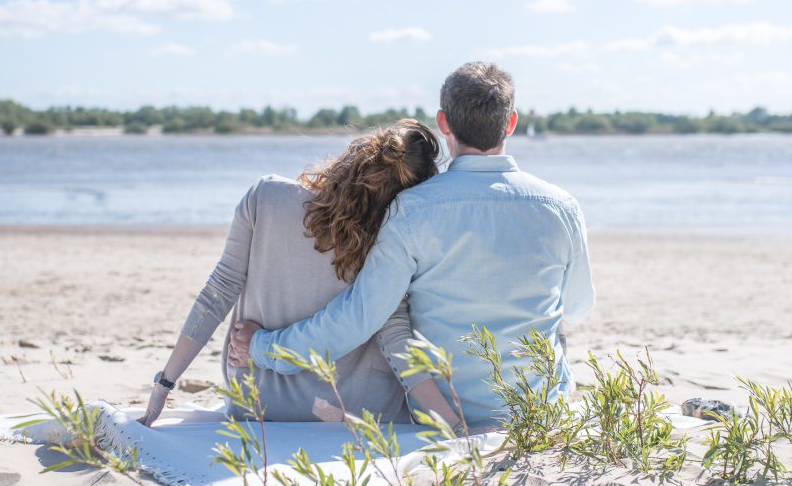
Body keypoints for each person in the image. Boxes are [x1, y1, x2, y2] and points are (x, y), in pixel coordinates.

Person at [228, 62, 595, 427]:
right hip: (540, 411)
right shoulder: (560, 206)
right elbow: (577, 308)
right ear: (511, 123)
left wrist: (264, 347)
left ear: (443, 122)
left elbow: (358, 318)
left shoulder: (412, 209)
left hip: (443, 414)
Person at [139, 119, 461, 429]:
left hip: (259, 401)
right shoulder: (390, 238)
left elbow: (219, 292)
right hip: (355, 406)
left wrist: (165, 382)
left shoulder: (265, 197)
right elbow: (395, 336)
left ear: (355, 157)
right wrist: (453, 423)